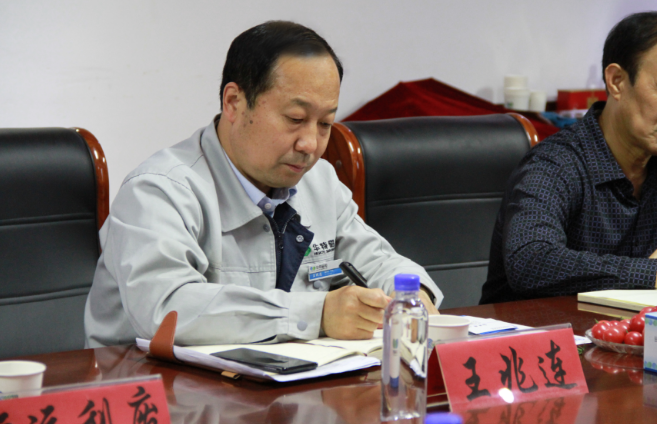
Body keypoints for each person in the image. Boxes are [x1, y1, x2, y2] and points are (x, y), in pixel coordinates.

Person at [85, 21, 442, 347]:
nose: (310, 144)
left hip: (278, 385)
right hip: (153, 389)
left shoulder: (318, 181)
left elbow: (376, 261)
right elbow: (166, 309)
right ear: (234, 103)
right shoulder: (158, 191)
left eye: (325, 124)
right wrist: (316, 314)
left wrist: (414, 297)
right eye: (295, 118)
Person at [481, 12, 657, 304]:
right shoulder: (554, 164)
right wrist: (649, 274)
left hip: (626, 330)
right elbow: (530, 260)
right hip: (535, 330)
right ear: (616, 81)